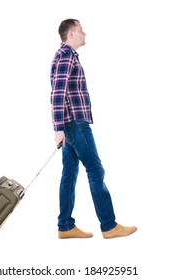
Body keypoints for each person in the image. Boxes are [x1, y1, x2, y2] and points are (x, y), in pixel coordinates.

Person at [50, 19, 137, 239]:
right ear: (70, 34)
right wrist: (59, 129)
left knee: (69, 174)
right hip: (75, 124)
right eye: (80, 30)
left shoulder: (66, 56)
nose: (84, 33)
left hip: (72, 124)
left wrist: (62, 128)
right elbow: (57, 94)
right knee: (96, 171)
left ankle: (65, 226)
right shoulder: (66, 56)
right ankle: (109, 226)